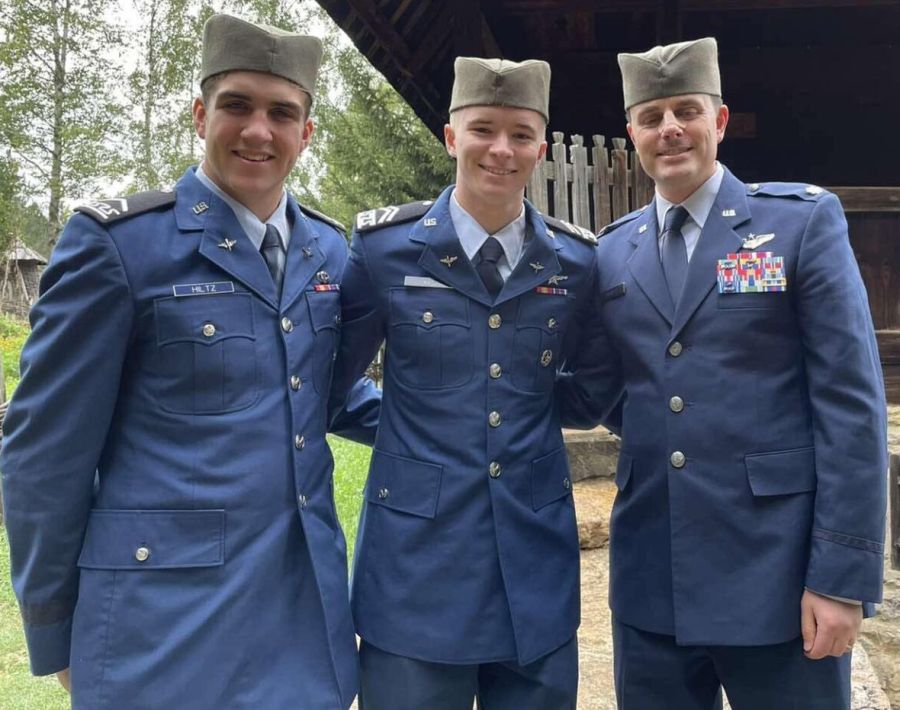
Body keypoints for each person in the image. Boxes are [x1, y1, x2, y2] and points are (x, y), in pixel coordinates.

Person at [0, 14, 378, 709]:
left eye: (281, 113)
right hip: (159, 628)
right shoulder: (119, 246)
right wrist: (55, 632)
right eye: (237, 105)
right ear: (201, 116)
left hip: (301, 620)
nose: (258, 130)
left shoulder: (328, 250)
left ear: (307, 132)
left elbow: (319, 390)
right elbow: (43, 455)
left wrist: (453, 417)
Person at [559, 36, 887, 709]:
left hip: (777, 576)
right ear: (632, 134)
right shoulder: (613, 252)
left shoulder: (798, 224)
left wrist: (840, 577)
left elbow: (852, 405)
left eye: (687, 110)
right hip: (652, 582)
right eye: (651, 117)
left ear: (721, 120)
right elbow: (614, 390)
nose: (670, 128)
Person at [329, 56, 598, 709]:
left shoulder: (576, 261)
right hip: (415, 571)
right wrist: (411, 429)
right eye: (483, 129)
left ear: (540, 149)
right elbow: (330, 387)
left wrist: (528, 418)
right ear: (452, 137)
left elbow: (592, 388)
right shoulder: (384, 250)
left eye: (521, 133)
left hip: (533, 569)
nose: (501, 149)